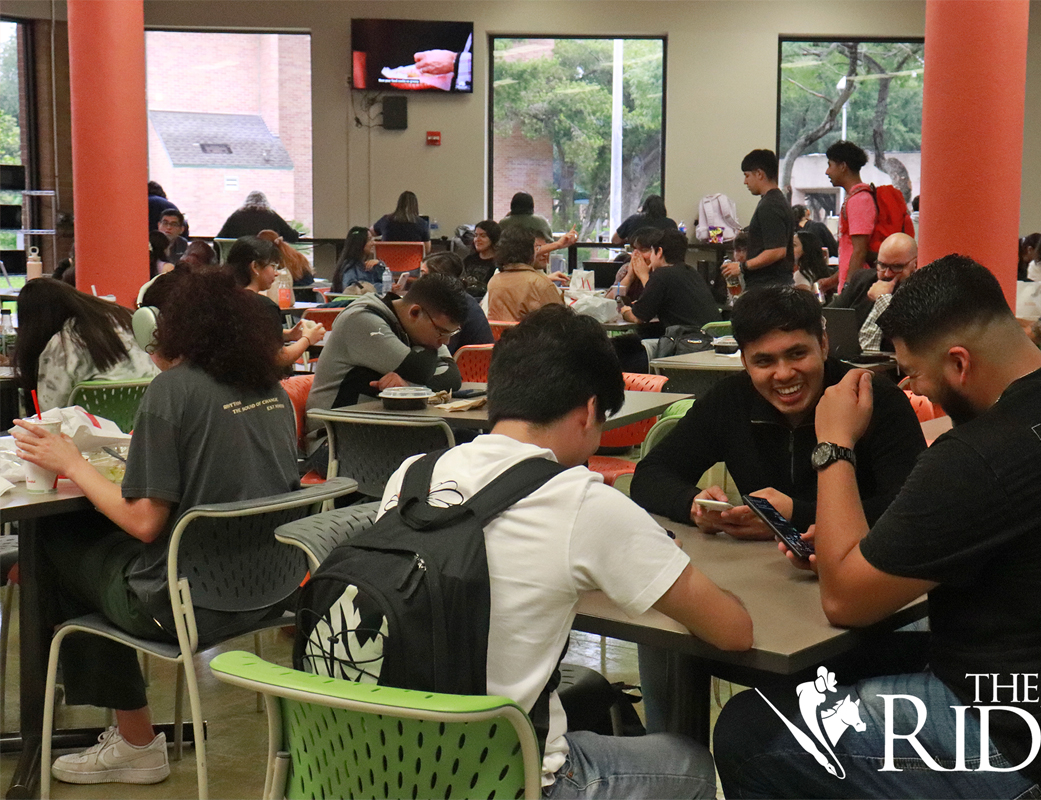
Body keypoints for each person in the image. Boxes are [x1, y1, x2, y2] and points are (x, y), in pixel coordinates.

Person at [712, 255, 1041, 800]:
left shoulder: (980, 453)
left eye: (916, 373)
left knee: (750, 727)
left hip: (1023, 748)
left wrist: (834, 442)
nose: (918, 388)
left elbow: (844, 600)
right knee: (831, 667)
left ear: (959, 363)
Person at [374, 304, 753, 797]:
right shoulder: (580, 500)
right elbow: (733, 631)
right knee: (690, 764)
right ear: (591, 411)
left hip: (386, 763)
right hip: (509, 783)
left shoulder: (412, 473)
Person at [12, 268, 302, 787]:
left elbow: (144, 522)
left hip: (187, 605)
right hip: (268, 589)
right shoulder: (272, 390)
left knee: (55, 543)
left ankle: (135, 740)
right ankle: (119, 728)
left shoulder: (173, 391)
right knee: (97, 551)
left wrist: (72, 462)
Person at [630, 285, 925, 537]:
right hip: (759, 576)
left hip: (856, 571)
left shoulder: (876, 399)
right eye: (764, 362)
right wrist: (693, 505)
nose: (783, 374)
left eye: (797, 354)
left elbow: (912, 509)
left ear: (823, 345)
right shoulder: (730, 399)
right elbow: (650, 475)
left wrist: (794, 516)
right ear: (744, 362)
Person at [306, 273, 466, 421]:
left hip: (384, 426)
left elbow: (451, 377)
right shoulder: (362, 319)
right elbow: (419, 369)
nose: (445, 342)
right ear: (415, 312)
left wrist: (409, 386)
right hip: (334, 435)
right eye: (441, 332)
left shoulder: (422, 333)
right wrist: (418, 379)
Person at [14, 279, 159, 411]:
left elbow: (50, 412)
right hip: (142, 428)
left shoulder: (63, 343)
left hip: (86, 435)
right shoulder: (126, 319)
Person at [226, 236, 324, 368]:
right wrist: (307, 339)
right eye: (273, 266)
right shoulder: (263, 306)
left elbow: (245, 335)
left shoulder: (222, 298)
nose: (276, 273)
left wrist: (288, 334)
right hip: (254, 384)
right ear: (255, 267)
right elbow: (278, 359)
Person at [618, 228, 720, 336]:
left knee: (627, 345)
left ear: (659, 252)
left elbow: (638, 318)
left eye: (651, 251)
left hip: (687, 344)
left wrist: (625, 311)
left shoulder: (661, 275)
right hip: (711, 341)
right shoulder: (692, 272)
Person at [721, 149, 794, 288]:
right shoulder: (776, 201)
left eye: (747, 176)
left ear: (759, 174)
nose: (745, 181)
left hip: (769, 286)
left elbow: (777, 250)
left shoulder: (770, 205)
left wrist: (742, 267)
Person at [419, 251, 494, 354]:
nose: (419, 281)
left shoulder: (452, 306)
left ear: (437, 277)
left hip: (464, 366)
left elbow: (442, 350)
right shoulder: (461, 298)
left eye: (423, 275)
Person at [824, 140, 876, 290]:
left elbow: (859, 250)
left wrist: (848, 288)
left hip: (857, 289)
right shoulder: (856, 198)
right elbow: (850, 253)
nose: (827, 172)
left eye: (830, 165)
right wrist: (831, 281)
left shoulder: (860, 200)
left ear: (843, 166)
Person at [485, 226, 565, 322]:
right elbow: (561, 321)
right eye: (537, 247)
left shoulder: (494, 281)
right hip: (532, 336)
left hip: (501, 336)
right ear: (529, 251)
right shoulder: (540, 283)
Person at [858, 232, 918, 351]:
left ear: (914, 265)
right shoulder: (862, 280)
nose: (887, 274)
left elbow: (906, 335)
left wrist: (882, 299)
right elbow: (833, 314)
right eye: (882, 265)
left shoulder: (920, 293)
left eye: (897, 267)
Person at [217, 191, 300, 242]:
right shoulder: (272, 216)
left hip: (239, 260)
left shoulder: (236, 216)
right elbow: (291, 236)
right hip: (267, 260)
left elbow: (219, 239)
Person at [331, 226, 387, 294]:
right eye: (369, 240)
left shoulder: (371, 264)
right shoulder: (350, 266)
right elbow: (352, 289)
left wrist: (380, 265)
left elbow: (389, 282)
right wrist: (384, 287)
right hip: (357, 303)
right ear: (360, 243)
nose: (373, 243)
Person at [612, 194, 677, 245]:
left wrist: (629, 241)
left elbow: (615, 240)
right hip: (661, 259)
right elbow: (676, 243)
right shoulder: (671, 224)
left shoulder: (632, 220)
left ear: (644, 207)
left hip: (636, 258)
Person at [463, 219, 502, 297]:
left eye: (483, 236)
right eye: (476, 235)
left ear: (493, 238)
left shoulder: (500, 262)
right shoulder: (469, 260)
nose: (477, 239)